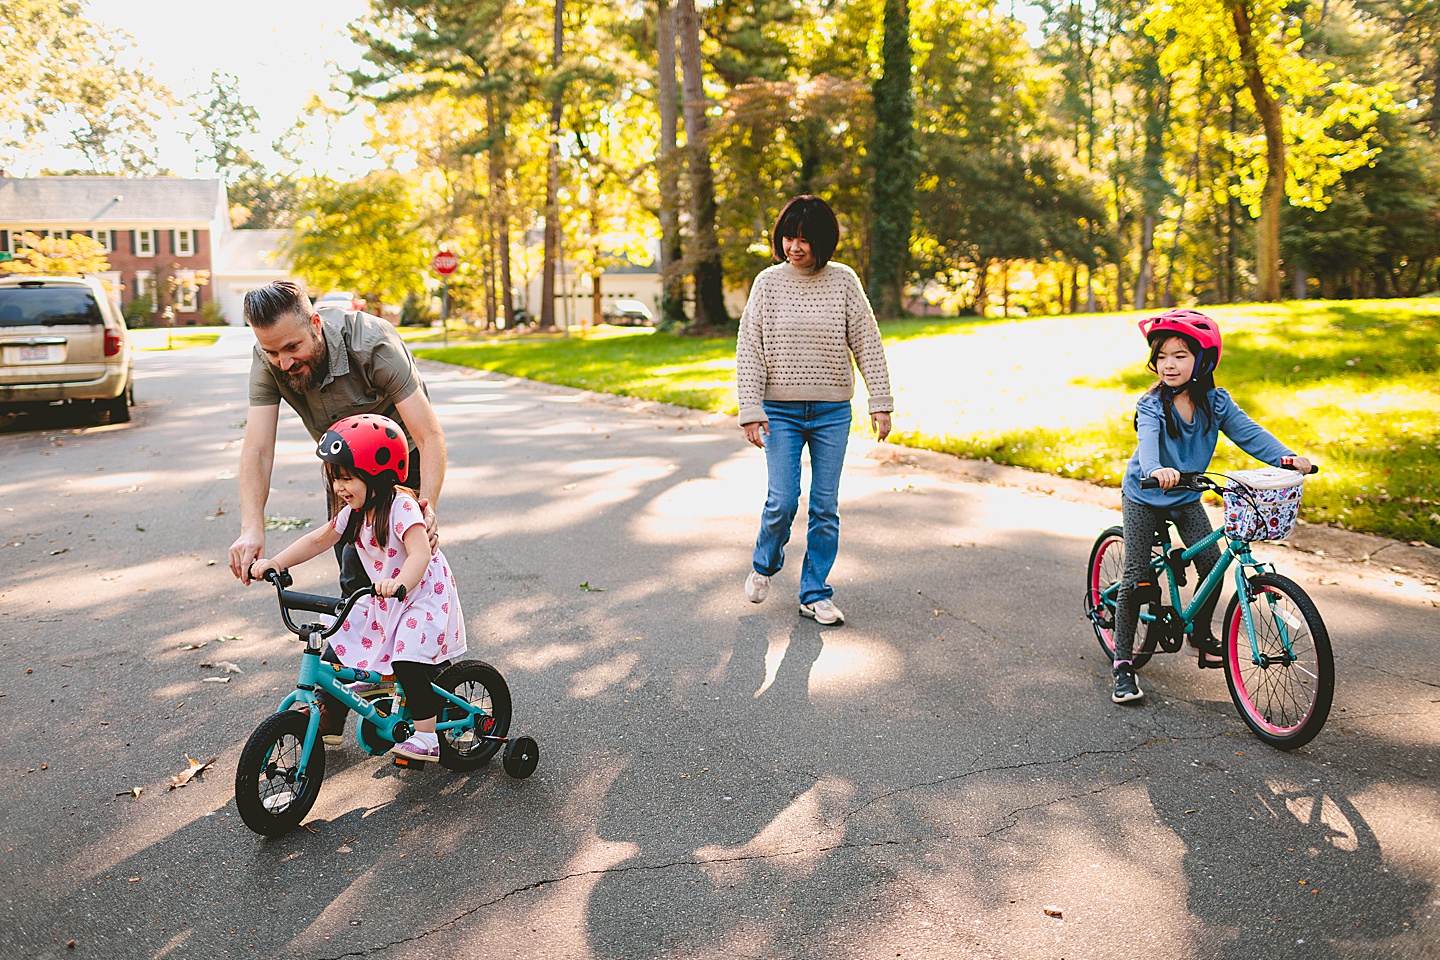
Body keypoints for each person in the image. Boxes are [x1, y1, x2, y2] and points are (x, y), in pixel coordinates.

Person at [227, 280, 447, 742]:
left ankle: (428, 688)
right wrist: (253, 530)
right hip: (345, 471)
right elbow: (258, 447)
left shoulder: (373, 344)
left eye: (292, 347)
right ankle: (345, 697)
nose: (285, 362)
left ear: (315, 323)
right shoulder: (269, 358)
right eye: (272, 352)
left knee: (411, 581)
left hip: (394, 464)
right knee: (354, 581)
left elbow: (428, 436)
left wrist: (424, 507)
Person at [1111, 309, 1312, 704]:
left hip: (1186, 496)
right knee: (1136, 577)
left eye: (1180, 356)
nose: (1169, 365)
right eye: (1163, 356)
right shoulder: (1152, 404)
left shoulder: (1216, 402)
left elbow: (1249, 434)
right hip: (1145, 494)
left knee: (1212, 565)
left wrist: (1286, 458)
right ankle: (1123, 664)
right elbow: (1148, 444)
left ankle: (1200, 634)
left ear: (1203, 359)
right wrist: (1157, 470)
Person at [249, 414, 466, 762]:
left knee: (406, 660)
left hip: (421, 593)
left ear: (378, 475)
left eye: (347, 478)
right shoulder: (356, 511)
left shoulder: (401, 507)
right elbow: (320, 539)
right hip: (390, 595)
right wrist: (278, 562)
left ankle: (427, 735)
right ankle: (364, 693)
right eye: (335, 479)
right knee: (348, 632)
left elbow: (420, 554)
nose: (339, 488)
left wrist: (399, 584)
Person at [735, 195, 894, 626]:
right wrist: (751, 409)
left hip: (831, 411)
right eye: (789, 236)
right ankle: (765, 564)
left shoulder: (843, 281)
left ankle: (814, 592)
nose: (795, 247)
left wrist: (879, 402)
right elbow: (749, 348)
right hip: (779, 412)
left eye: (805, 239)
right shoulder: (767, 283)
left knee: (825, 506)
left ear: (823, 241)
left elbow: (867, 342)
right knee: (783, 500)